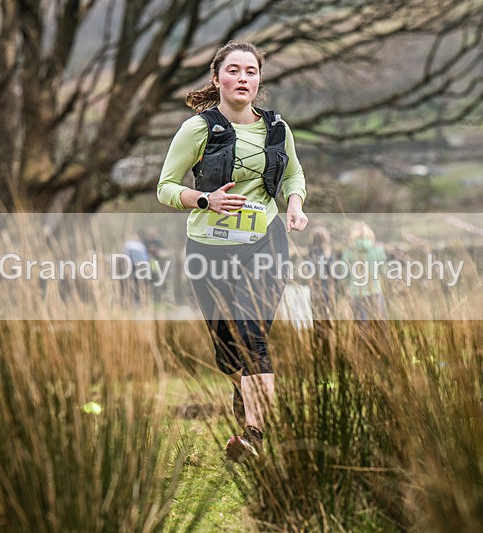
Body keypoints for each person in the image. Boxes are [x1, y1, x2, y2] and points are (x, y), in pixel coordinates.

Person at [157, 41, 308, 462]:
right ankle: (242, 388)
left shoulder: (277, 128)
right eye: (234, 71)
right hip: (208, 250)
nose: (243, 78)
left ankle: (254, 436)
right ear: (217, 78)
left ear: (259, 80)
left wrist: (294, 205)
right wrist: (205, 200)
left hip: (265, 244)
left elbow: (294, 175)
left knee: (252, 333)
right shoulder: (197, 129)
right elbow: (165, 188)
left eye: (251, 72)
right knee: (229, 351)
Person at [341, 222, 388, 335]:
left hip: (356, 294)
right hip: (375, 292)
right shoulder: (378, 250)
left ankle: (363, 351)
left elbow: (343, 274)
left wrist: (347, 288)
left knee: (362, 328)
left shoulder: (348, 252)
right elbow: (385, 272)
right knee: (381, 327)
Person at [306, 225, 336, 338]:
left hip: (314, 293)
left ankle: (318, 347)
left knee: (317, 323)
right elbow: (334, 274)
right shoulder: (328, 254)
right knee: (329, 323)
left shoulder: (309, 254)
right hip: (328, 292)